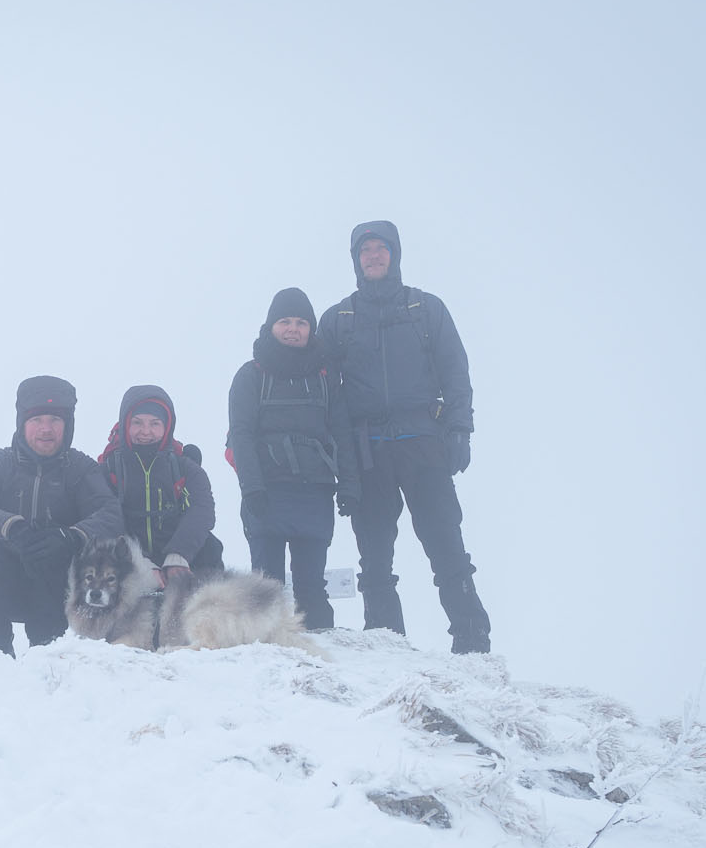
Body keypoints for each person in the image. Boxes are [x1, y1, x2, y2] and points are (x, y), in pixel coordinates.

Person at [317, 221, 492, 653]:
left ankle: (472, 642)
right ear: (356, 260)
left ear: (394, 255)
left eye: (381, 249)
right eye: (365, 251)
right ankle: (387, 645)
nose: (374, 256)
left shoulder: (425, 309)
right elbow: (321, 391)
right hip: (367, 451)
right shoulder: (338, 320)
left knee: (447, 547)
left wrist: (460, 430)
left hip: (424, 446)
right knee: (375, 560)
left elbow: (456, 374)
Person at [0, 375, 122, 655]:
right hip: (0, 579)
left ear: (67, 426)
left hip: (55, 581)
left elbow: (110, 514)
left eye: (55, 420)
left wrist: (70, 537)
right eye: (37, 420)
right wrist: (11, 528)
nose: (46, 429)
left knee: (57, 554)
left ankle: (48, 656)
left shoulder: (81, 468)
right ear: (22, 424)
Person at [225, 287, 354, 629]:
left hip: (316, 492)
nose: (293, 328)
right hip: (267, 492)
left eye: (301, 322)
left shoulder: (326, 380)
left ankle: (318, 662)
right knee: (266, 589)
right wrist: (252, 489)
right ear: (271, 327)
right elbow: (241, 435)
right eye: (285, 321)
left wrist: (350, 485)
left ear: (311, 329)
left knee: (312, 589)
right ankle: (268, 663)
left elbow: (342, 433)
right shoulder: (250, 376)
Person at [95, 384, 224, 579]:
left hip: (176, 550)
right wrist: (138, 560)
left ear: (167, 426)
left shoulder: (185, 468)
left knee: (211, 547)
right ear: (125, 424)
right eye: (137, 423)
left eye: (155, 424)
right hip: (126, 552)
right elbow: (104, 519)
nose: (145, 431)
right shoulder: (108, 469)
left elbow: (202, 511)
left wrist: (179, 555)